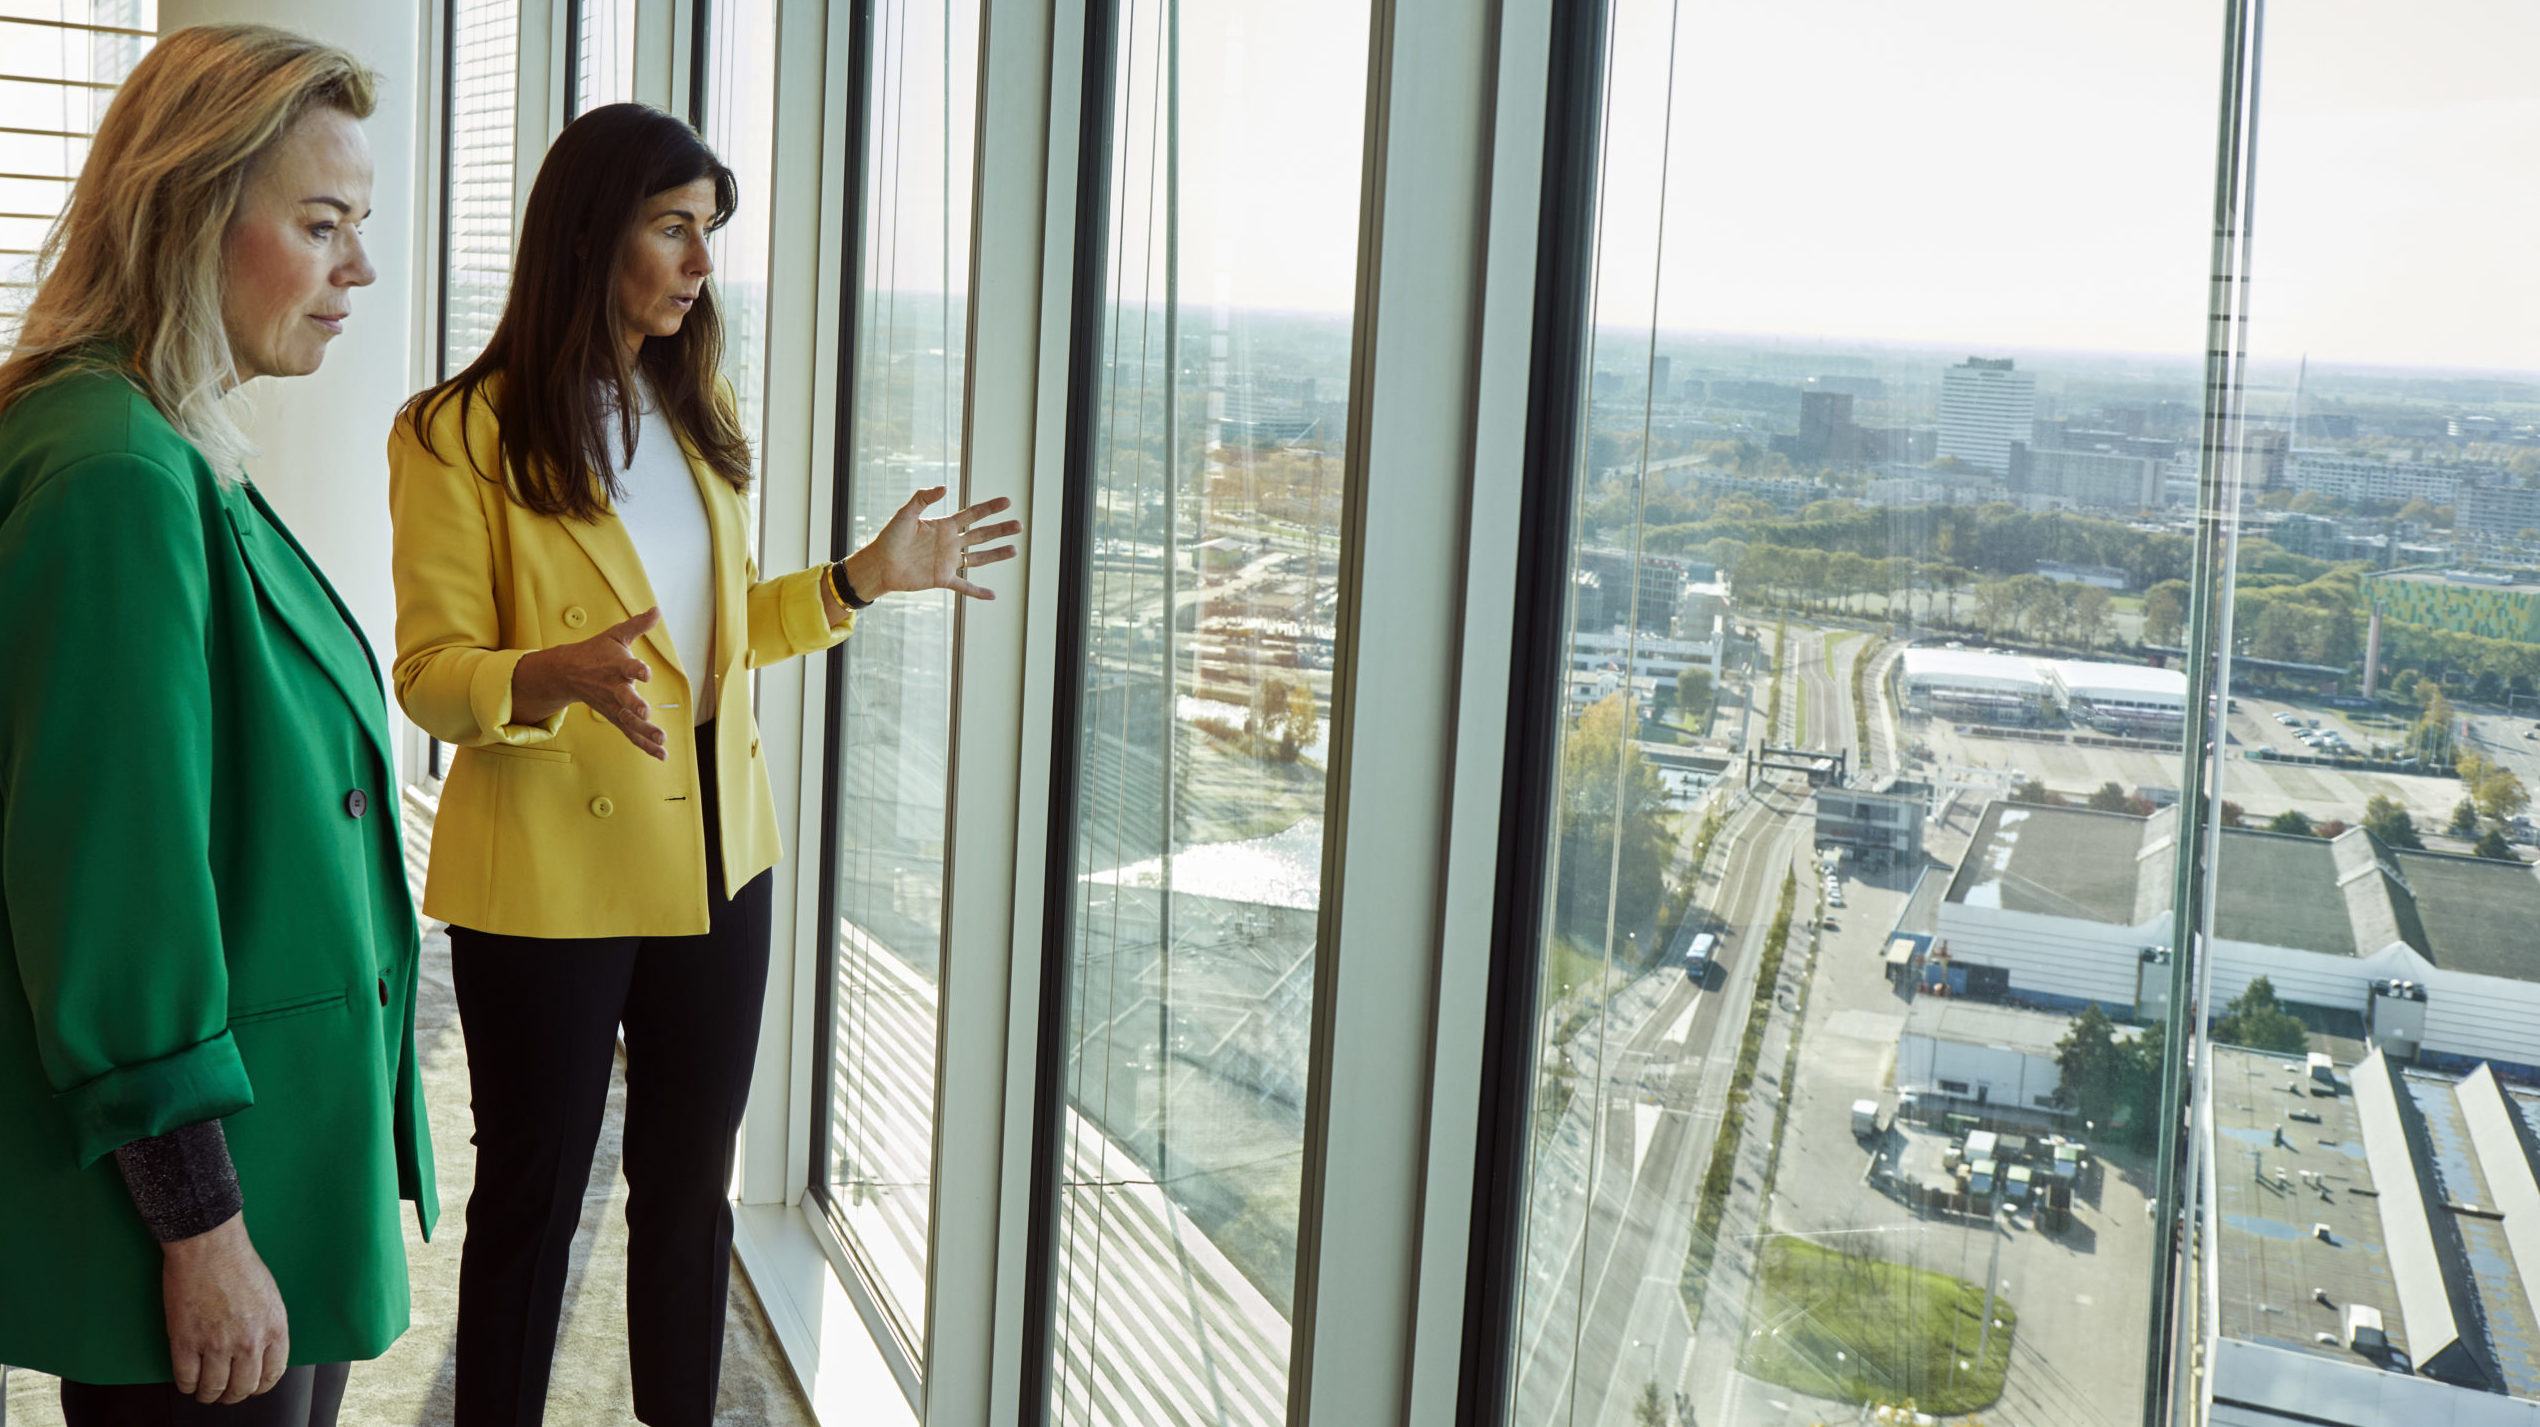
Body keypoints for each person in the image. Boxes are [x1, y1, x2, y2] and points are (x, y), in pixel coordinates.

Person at [386, 102, 1018, 1425]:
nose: (700, 263)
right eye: (674, 228)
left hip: (722, 866)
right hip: (547, 880)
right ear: (589, 233)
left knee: (689, 1203)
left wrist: (858, 581)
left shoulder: (686, 414)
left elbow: (706, 647)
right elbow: (430, 671)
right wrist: (540, 677)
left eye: (708, 232)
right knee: (533, 1211)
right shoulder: (454, 435)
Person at [0, 25, 434, 1427]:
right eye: (322, 225)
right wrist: (201, 1225)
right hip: (204, 1209)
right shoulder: (114, 473)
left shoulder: (165, 438)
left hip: (273, 1168)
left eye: (359, 227)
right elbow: (114, 892)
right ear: (191, 215)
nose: (358, 271)